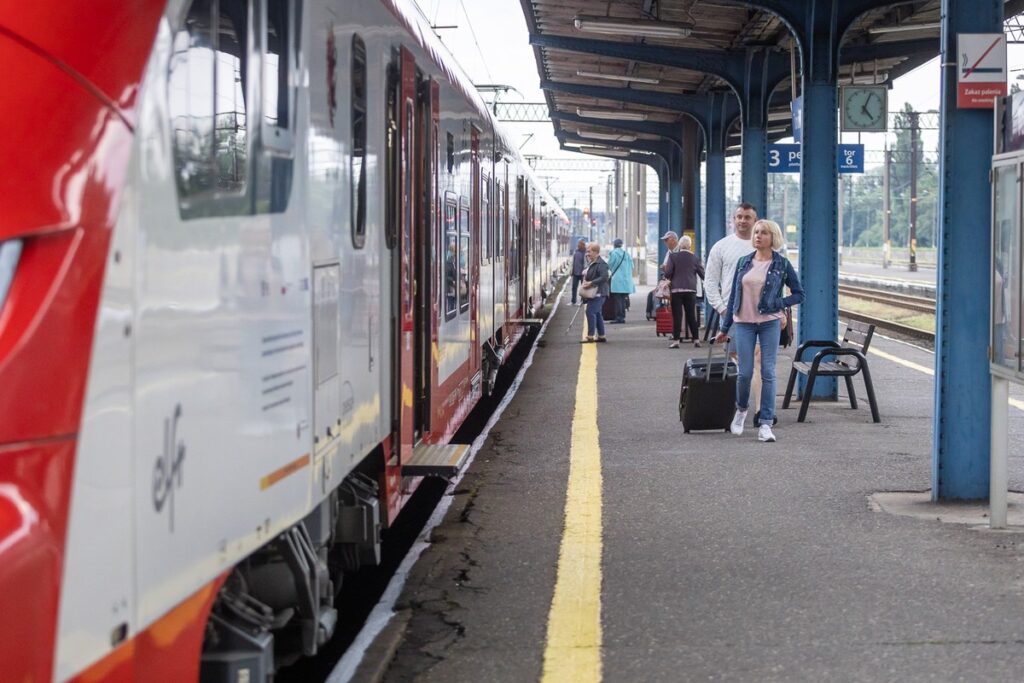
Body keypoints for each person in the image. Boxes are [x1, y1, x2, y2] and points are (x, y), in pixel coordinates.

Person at [715, 219, 804, 443]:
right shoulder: (744, 262)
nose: (758, 236)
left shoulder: (781, 264)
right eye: (756, 232)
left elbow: (799, 293)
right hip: (743, 323)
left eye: (763, 233)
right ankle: (742, 410)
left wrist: (779, 303)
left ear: (772, 237)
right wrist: (725, 328)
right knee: (744, 373)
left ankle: (765, 423)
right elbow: (734, 296)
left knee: (768, 372)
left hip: (769, 324)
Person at [664, 234, 704, 348]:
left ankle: (676, 341)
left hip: (676, 289)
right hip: (690, 290)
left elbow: (668, 273)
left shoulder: (673, 257)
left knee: (677, 316)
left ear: (680, 245)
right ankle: (696, 340)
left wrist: (667, 272)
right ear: (690, 246)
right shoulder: (695, 258)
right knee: (691, 315)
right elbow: (702, 274)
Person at [580, 242, 609, 343]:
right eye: (587, 251)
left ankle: (590, 336)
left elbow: (605, 277)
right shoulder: (592, 263)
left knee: (590, 312)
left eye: (589, 251)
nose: (587, 254)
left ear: (596, 252)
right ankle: (601, 335)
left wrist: (591, 283)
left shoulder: (601, 264)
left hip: (599, 292)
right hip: (594, 293)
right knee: (597, 313)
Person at [607, 238, 635, 324]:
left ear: (614, 245)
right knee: (623, 299)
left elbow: (609, 265)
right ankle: (622, 316)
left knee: (618, 299)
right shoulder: (626, 254)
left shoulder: (613, 253)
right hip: (626, 280)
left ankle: (619, 318)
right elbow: (632, 266)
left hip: (617, 280)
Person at [570, 239, 587, 305]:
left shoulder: (585, 252)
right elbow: (573, 262)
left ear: (583, 245)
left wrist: (585, 271)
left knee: (583, 288)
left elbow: (586, 263)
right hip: (575, 272)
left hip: (583, 273)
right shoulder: (576, 251)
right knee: (574, 287)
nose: (578, 245)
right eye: (578, 244)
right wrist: (572, 270)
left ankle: (583, 300)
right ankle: (573, 300)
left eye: (580, 244)